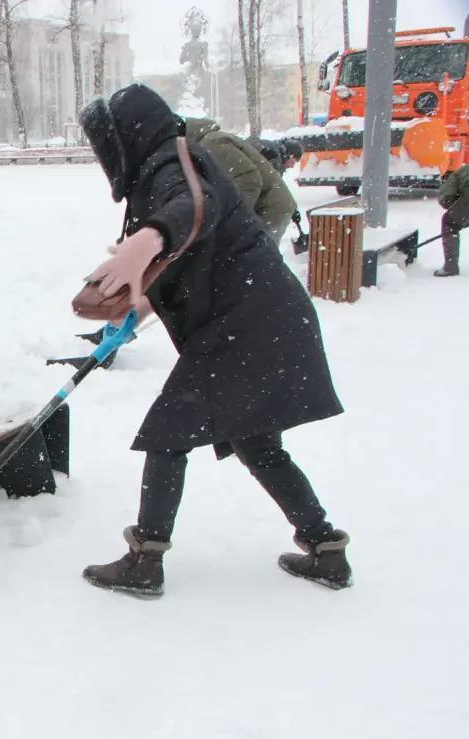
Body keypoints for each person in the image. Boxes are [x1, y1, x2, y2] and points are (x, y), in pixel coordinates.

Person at [77, 83, 351, 598]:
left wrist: (149, 237)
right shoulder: (176, 159)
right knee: (258, 443)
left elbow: (188, 210)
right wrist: (128, 316)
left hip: (245, 327)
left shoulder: (172, 167)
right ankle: (325, 549)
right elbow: (184, 255)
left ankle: (145, 560)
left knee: (167, 432)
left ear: (127, 137)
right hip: (269, 320)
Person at [183, 117, 296, 245]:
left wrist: (233, 217)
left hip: (269, 209)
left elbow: (250, 180)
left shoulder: (212, 142)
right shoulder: (206, 144)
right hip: (270, 206)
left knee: (256, 259)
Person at [434, 164, 469, 277]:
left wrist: (455, 211)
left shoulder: (459, 173)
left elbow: (445, 198)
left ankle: (450, 267)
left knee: (449, 223)